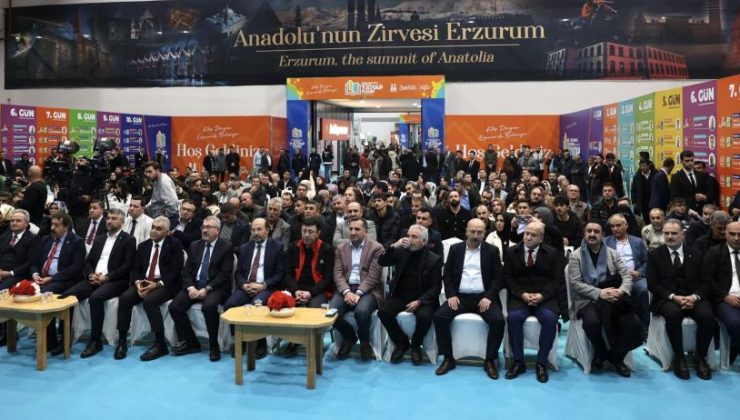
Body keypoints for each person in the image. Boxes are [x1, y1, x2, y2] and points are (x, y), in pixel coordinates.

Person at [568, 222, 643, 377]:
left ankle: (617, 357)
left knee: (634, 323)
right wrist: (599, 292)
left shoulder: (613, 254)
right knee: (592, 323)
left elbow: (626, 277)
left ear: (602, 235)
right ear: (584, 233)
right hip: (587, 300)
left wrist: (621, 291)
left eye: (596, 231)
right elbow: (576, 283)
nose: (592, 234)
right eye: (589, 231)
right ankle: (600, 351)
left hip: (613, 299)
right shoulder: (575, 256)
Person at [434, 218, 505, 379]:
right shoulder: (455, 249)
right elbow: (447, 274)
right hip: (460, 297)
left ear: (484, 233)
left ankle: (490, 359)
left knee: (498, 321)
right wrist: (451, 295)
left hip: (483, 298)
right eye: (472, 231)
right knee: (439, 316)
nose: (475, 235)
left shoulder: (492, 251)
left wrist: (489, 297)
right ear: (466, 232)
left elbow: (498, 278)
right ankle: (448, 357)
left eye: (479, 232)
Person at [62, 208, 136, 358]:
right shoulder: (99, 238)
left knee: (95, 298)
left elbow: (127, 266)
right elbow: (88, 262)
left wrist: (106, 277)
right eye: (108, 218)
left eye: (114, 218)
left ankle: (96, 341)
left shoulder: (128, 240)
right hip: (94, 278)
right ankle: (64, 338)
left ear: (122, 222)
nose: (109, 221)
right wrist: (91, 274)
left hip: (116, 280)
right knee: (68, 296)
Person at [646, 220, 714, 380]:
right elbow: (652, 284)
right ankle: (679, 357)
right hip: (667, 298)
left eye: (674, 233)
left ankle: (700, 357)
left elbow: (706, 282)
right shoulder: (655, 255)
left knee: (708, 316)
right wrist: (673, 297)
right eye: (666, 233)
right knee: (673, 315)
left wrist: (694, 297)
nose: (670, 236)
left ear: (683, 235)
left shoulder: (696, 254)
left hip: (693, 297)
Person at [115, 217, 184, 361]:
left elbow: (176, 271)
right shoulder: (143, 246)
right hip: (145, 281)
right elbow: (135, 269)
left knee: (150, 301)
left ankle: (160, 344)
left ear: (167, 232)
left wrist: (157, 285)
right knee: (125, 298)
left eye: (158, 229)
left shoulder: (175, 244)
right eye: (153, 227)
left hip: (166, 284)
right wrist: (137, 283)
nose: (153, 231)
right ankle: (122, 341)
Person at [502, 221, 563, 383]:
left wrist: (542, 296)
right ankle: (518, 361)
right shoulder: (511, 252)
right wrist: (521, 294)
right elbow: (507, 278)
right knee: (514, 318)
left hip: (544, 298)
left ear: (541, 238)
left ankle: (541, 363)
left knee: (550, 319)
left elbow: (557, 280)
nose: (528, 237)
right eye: (526, 233)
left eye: (533, 235)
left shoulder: (552, 253)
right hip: (520, 297)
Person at [169, 216, 234, 362]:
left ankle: (213, 345)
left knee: (209, 307)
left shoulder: (226, 247)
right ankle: (191, 342)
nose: (204, 230)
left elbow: (225, 274)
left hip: (216, 288)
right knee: (174, 307)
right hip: (195, 285)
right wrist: (191, 287)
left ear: (217, 230)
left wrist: (207, 289)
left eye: (208, 227)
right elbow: (187, 271)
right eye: (203, 227)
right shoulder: (195, 245)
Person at [378, 224, 442, 365]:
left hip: (422, 298)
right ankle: (402, 343)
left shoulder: (433, 259)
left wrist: (419, 301)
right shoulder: (402, 251)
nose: (409, 239)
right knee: (383, 312)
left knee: (424, 317)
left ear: (424, 242)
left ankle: (416, 345)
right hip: (401, 295)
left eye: (414, 237)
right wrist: (394, 246)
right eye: (408, 236)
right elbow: (382, 262)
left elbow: (436, 288)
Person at [223, 218, 284, 358]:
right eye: (253, 230)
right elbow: (238, 273)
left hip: (267, 287)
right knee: (230, 305)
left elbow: (280, 274)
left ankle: (260, 343)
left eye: (259, 229)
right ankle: (239, 340)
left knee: (256, 306)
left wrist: (263, 285)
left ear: (267, 230)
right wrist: (244, 285)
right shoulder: (245, 247)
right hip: (247, 286)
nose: (256, 233)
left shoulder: (277, 247)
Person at [330, 217, 385, 361]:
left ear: (365, 232)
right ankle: (349, 337)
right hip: (346, 288)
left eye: (357, 229)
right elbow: (337, 274)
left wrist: (359, 293)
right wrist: (346, 292)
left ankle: (365, 341)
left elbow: (374, 276)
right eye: (351, 229)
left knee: (361, 312)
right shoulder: (341, 248)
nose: (353, 232)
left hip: (368, 289)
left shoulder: (377, 248)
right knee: (331, 313)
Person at [605, 213, 650, 336]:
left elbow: (647, 262)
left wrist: (639, 272)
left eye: (618, 225)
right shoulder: (605, 242)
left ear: (626, 225)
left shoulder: (638, 241)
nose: (615, 229)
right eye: (612, 226)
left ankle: (645, 327)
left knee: (644, 290)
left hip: (636, 278)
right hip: (616, 280)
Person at [704, 222, 740, 368]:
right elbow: (708, 279)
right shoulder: (714, 252)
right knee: (735, 323)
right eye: (732, 234)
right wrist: (725, 296)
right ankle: (736, 346)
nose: (736, 238)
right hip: (723, 298)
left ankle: (735, 346)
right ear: (725, 234)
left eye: (739, 234)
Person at [284, 217, 334, 308]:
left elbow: (328, 278)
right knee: (282, 305)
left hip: (318, 291)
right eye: (304, 231)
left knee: (314, 308)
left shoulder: (327, 250)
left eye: (310, 232)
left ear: (318, 233)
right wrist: (296, 290)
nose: (306, 235)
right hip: (296, 289)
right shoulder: (293, 248)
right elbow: (288, 273)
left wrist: (311, 293)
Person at [0, 209, 38, 291]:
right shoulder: (4, 237)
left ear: (26, 224)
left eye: (18, 221)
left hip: (18, 275)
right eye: (12, 221)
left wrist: (11, 273)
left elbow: (30, 262)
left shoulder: (33, 239)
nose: (14, 223)